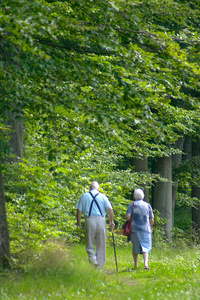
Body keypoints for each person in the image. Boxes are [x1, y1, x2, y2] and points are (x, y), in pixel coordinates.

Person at [76, 181, 115, 268]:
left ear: (90, 188)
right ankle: (100, 265)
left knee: (89, 241)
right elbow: (110, 209)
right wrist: (111, 221)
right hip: (101, 220)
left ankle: (93, 259)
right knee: (101, 243)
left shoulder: (84, 196)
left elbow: (79, 211)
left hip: (89, 220)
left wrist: (78, 223)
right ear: (98, 188)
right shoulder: (103, 196)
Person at [125, 188, 154, 270]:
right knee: (145, 246)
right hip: (146, 228)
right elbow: (151, 219)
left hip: (135, 229)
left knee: (135, 246)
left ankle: (136, 264)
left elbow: (127, 217)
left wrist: (130, 219)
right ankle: (145, 264)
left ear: (134, 196)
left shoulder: (132, 205)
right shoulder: (148, 205)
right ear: (143, 196)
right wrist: (150, 227)